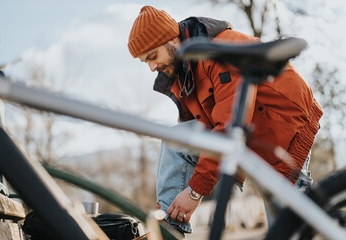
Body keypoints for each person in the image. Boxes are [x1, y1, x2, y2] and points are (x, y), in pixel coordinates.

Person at [127, 6, 323, 234]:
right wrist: (193, 188)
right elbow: (201, 136)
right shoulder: (182, 71)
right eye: (145, 62)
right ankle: (170, 231)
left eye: (152, 56)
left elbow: (227, 128)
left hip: (286, 124)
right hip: (247, 131)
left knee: (284, 227)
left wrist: (194, 192)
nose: (152, 67)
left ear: (171, 40)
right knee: (175, 141)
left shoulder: (220, 51)